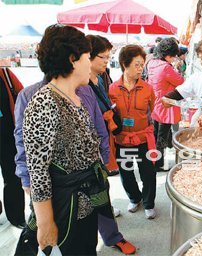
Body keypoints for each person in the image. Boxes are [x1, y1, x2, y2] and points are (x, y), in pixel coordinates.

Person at [22, 24, 107, 255]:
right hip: (63, 210)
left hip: (84, 205)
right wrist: (45, 224)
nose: (90, 63)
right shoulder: (44, 103)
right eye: (88, 57)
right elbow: (38, 172)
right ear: (73, 59)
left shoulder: (76, 96)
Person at [109, 45, 157, 219]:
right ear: (124, 64)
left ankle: (149, 203)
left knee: (148, 173)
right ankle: (134, 198)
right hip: (122, 140)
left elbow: (152, 111)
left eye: (142, 64)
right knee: (126, 173)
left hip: (143, 138)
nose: (140, 68)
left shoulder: (148, 89)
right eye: (136, 64)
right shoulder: (112, 89)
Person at [147, 38, 184, 172]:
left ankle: (155, 160)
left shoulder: (152, 63)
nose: (173, 58)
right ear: (168, 55)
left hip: (155, 105)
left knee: (156, 135)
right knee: (161, 137)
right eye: (173, 56)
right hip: (165, 107)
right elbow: (181, 82)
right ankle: (159, 163)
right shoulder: (166, 68)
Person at [86, 35, 121, 176]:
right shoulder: (81, 85)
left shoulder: (99, 79)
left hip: (105, 136)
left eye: (108, 57)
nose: (107, 61)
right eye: (103, 57)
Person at [0, 67, 25, 229]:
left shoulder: (6, 74)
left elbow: (23, 96)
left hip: (8, 136)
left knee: (13, 177)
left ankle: (16, 217)